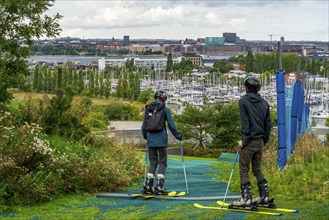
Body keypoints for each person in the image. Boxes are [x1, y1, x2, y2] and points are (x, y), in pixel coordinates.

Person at [233, 75, 272, 207]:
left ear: (247, 89)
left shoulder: (243, 101)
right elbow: (268, 124)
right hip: (261, 140)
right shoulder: (265, 103)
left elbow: (246, 123)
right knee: (257, 169)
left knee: (244, 169)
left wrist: (243, 141)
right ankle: (264, 196)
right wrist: (265, 140)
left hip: (249, 141)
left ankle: (246, 199)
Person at [141, 90, 182, 195]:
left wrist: (146, 136)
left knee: (153, 162)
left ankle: (148, 186)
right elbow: (171, 125)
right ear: (163, 99)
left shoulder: (148, 108)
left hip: (151, 139)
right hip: (161, 140)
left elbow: (144, 126)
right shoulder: (165, 109)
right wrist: (178, 136)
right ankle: (160, 186)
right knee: (162, 162)